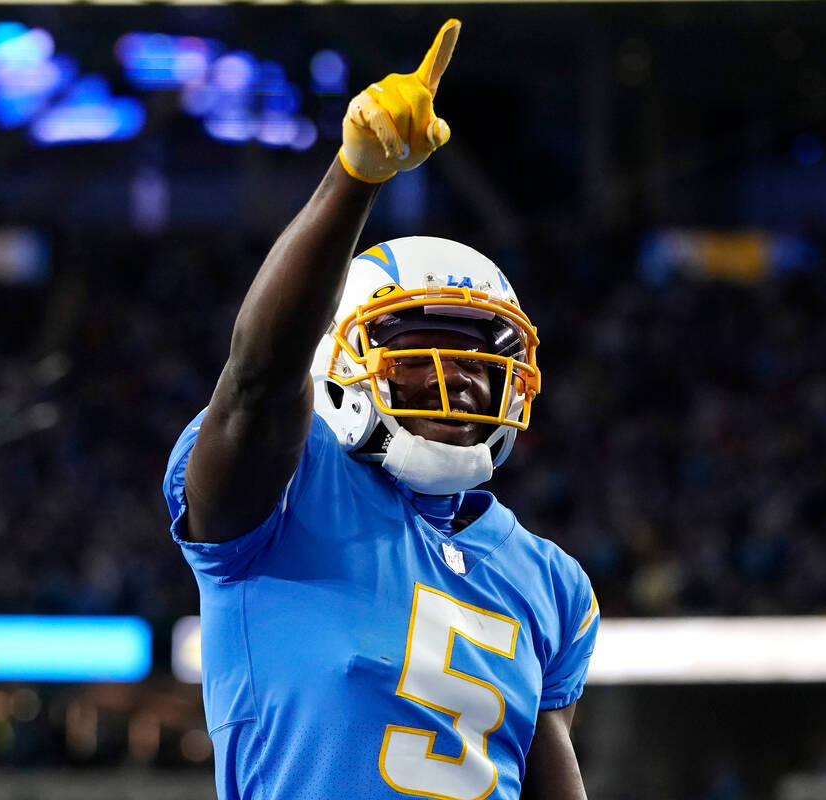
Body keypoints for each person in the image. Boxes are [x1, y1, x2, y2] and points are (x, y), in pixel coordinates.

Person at [163, 19, 597, 800]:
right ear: (342, 366)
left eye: (480, 361)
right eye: (420, 349)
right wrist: (353, 178)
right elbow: (258, 378)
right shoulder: (287, 490)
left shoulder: (551, 581)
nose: (458, 381)